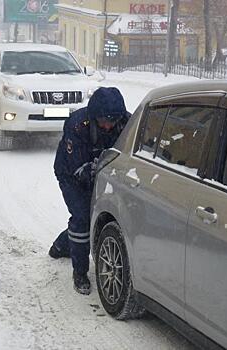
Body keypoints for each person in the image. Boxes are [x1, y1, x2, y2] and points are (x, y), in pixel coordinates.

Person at [49, 87, 130, 295]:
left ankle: (60, 245)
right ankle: (80, 272)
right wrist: (93, 169)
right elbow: (77, 167)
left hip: (100, 172)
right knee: (83, 217)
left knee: (99, 216)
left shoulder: (125, 122)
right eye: (104, 120)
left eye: (113, 120)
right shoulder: (77, 125)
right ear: (94, 116)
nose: (109, 125)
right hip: (71, 174)